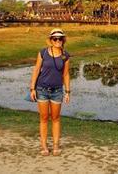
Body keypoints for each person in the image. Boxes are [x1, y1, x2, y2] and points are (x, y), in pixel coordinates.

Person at [29, 28, 71, 156]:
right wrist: (32, 88)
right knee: (44, 118)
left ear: (63, 40)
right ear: (51, 40)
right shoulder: (43, 53)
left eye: (60, 38)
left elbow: (66, 74)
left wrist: (68, 91)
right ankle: (43, 146)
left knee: (56, 118)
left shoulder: (65, 55)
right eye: (55, 38)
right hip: (42, 89)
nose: (58, 41)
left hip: (57, 91)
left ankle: (56, 145)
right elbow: (36, 70)